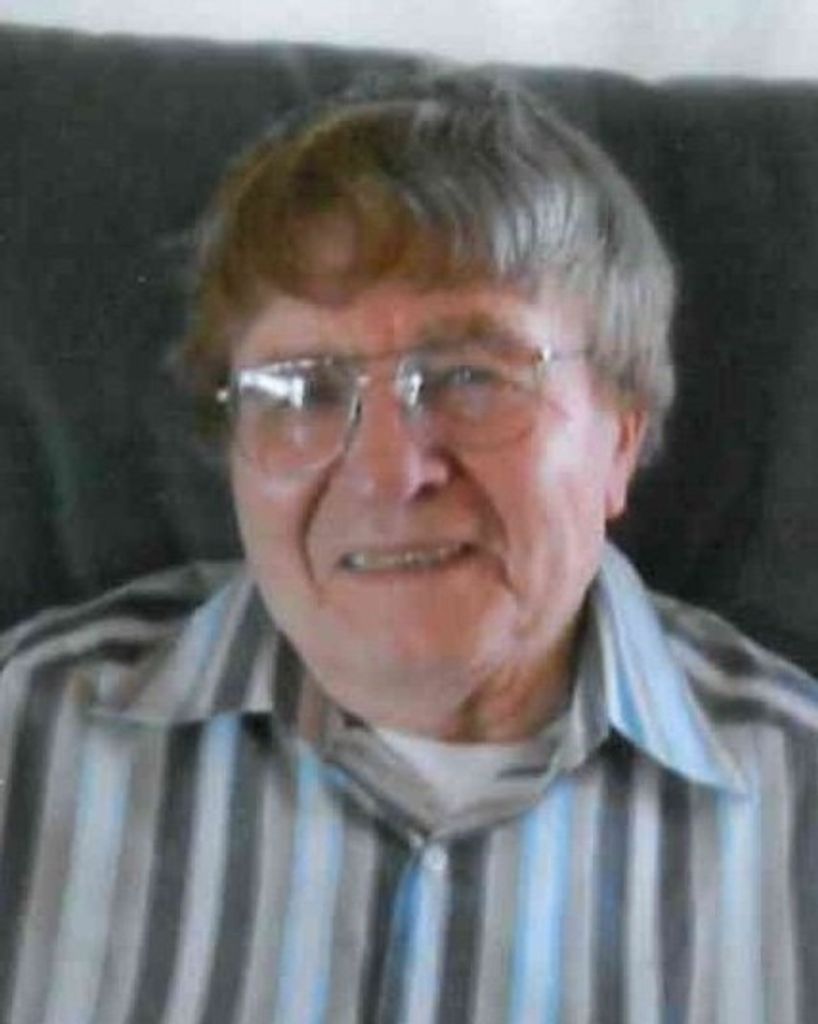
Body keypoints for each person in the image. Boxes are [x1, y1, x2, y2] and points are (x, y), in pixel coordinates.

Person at [0, 68, 815, 1024]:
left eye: (471, 376)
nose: (387, 471)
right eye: (302, 391)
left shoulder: (799, 808)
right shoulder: (23, 741)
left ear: (622, 439)